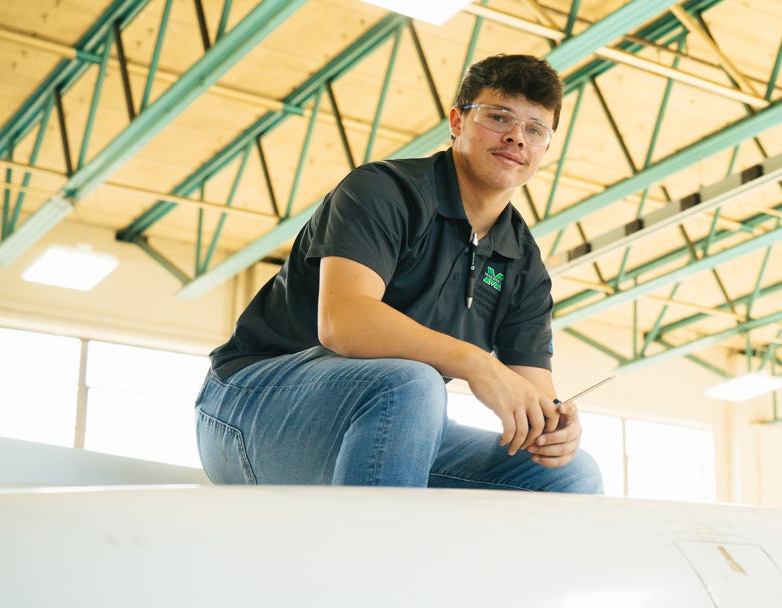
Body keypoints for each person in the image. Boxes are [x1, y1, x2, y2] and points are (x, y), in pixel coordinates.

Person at [195, 54, 602, 493]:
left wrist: (555, 428)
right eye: (498, 116)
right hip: (249, 410)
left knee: (570, 472)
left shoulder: (522, 262)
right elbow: (343, 322)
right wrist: (476, 363)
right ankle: (374, 558)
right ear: (457, 121)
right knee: (410, 382)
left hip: (396, 424)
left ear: (545, 148)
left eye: (535, 129)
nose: (515, 137)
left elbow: (533, 393)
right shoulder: (384, 191)